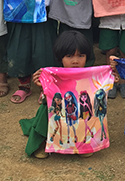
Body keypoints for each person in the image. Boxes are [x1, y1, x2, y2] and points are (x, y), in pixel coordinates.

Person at [21, 30, 93, 158]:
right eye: (69, 56)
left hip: (77, 112)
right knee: (45, 109)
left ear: (87, 57)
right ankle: (43, 141)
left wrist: (111, 76)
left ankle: (82, 142)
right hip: (59, 111)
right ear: (61, 58)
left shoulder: (92, 75)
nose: (75, 61)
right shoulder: (54, 76)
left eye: (80, 56)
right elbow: (48, 100)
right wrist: (42, 86)